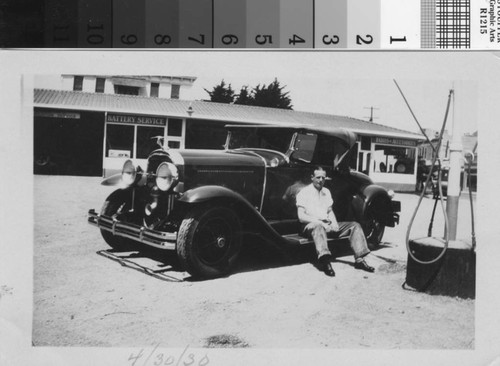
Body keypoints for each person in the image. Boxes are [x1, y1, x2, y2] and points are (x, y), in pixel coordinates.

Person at [295, 166, 375, 277]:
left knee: (355, 226)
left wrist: (334, 223)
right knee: (318, 227)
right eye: (318, 177)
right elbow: (301, 216)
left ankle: (359, 260)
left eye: (323, 178)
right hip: (310, 225)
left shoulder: (326, 192)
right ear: (312, 177)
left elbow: (330, 211)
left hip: (327, 224)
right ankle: (325, 262)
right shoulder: (304, 192)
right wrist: (321, 223)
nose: (321, 180)